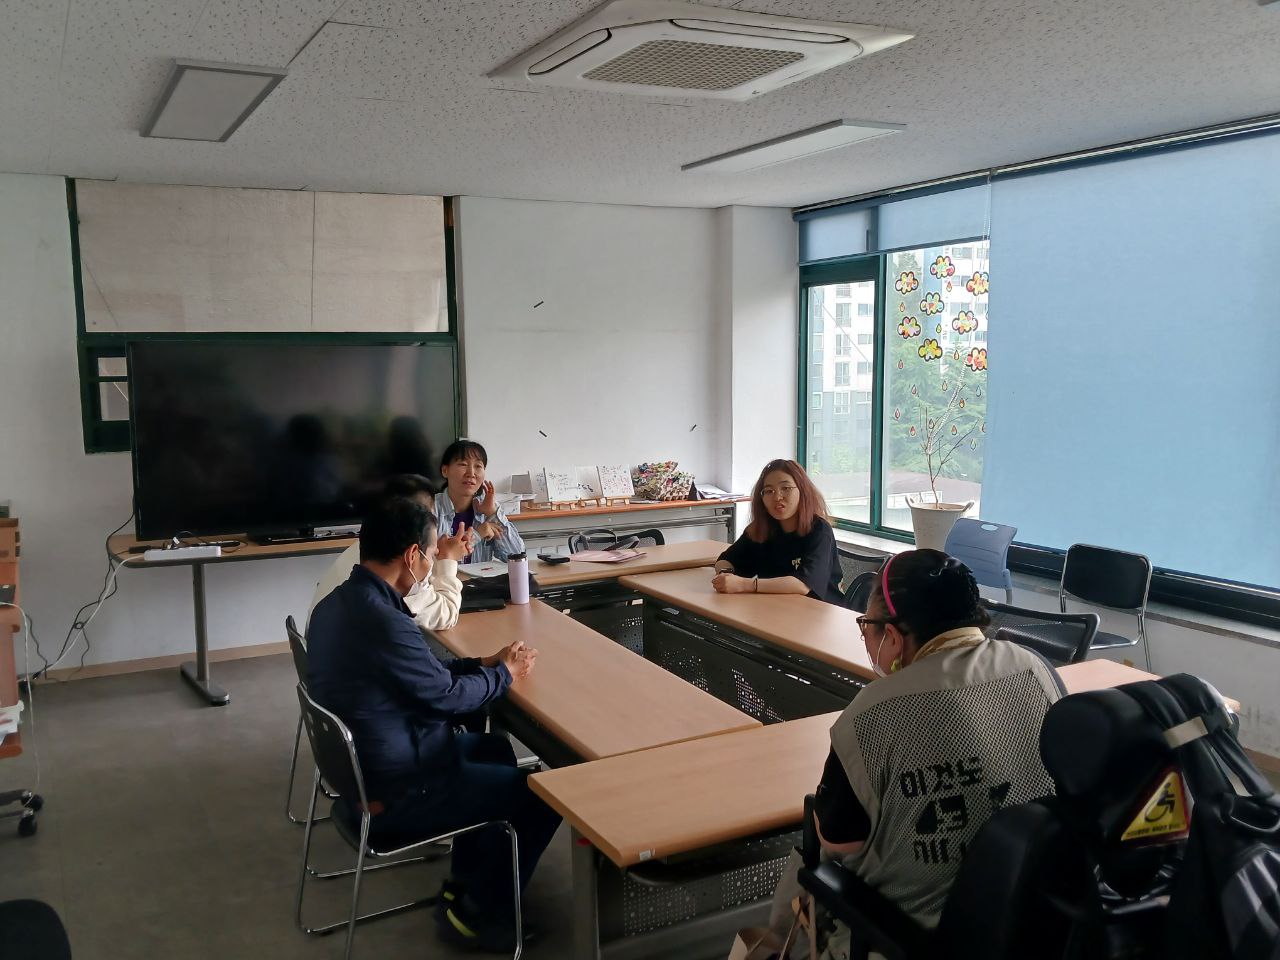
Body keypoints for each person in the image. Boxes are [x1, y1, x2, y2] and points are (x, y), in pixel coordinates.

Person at [767, 549, 1064, 957]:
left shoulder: (871, 714)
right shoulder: (1037, 670)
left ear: (891, 635)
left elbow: (839, 841)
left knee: (807, 859)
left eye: (867, 627)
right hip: (1038, 923)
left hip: (912, 935)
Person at [307, 496, 562, 951]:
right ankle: (478, 914)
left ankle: (464, 881)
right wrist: (505, 675)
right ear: (411, 556)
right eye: (429, 554)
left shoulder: (343, 603)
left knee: (494, 750)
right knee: (541, 797)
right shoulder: (385, 620)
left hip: (370, 769)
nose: (430, 564)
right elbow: (443, 698)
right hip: (399, 789)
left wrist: (483, 663)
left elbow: (422, 675)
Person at [308, 474, 467, 631]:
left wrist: (434, 553)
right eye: (425, 513)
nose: (428, 520)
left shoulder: (373, 544)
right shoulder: (396, 570)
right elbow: (445, 614)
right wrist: (448, 558)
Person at [712, 459, 843, 604]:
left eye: (785, 488)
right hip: (776, 608)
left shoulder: (819, 531)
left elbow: (803, 584)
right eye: (769, 491)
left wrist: (745, 585)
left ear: (802, 490)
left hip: (821, 613)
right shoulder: (762, 529)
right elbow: (725, 560)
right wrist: (726, 577)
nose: (777, 497)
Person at [434, 439, 525, 564]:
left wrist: (492, 513)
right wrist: (476, 535)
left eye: (478, 466)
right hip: (442, 583)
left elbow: (517, 556)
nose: (471, 473)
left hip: (478, 583)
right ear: (445, 471)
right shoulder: (430, 509)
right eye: (463, 464)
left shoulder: (487, 507)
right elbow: (431, 560)